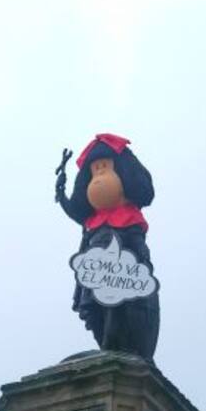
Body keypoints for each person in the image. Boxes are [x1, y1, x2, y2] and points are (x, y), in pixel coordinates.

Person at [56, 133, 159, 360]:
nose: (100, 173)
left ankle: (119, 344)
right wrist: (62, 195)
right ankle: (106, 344)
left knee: (121, 304)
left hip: (127, 269)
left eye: (105, 166)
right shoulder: (92, 226)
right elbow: (77, 211)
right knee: (94, 306)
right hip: (97, 259)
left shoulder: (130, 223)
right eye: (96, 168)